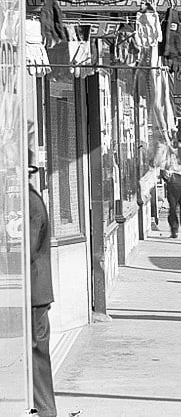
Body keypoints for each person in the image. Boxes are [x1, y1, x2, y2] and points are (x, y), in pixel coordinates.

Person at [29, 159, 57, 417]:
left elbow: (25, 247)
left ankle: (46, 411)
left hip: (34, 291)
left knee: (37, 353)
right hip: (31, 289)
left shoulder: (29, 203)